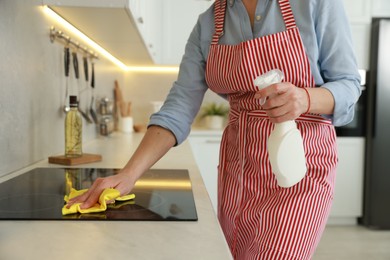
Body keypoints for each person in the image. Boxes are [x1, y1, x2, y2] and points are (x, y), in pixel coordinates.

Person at [67, 0, 361, 259]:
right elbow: (179, 106)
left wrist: (305, 97)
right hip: (239, 172)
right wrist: (128, 175)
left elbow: (349, 84)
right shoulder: (209, 23)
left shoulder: (316, 3)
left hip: (300, 169)